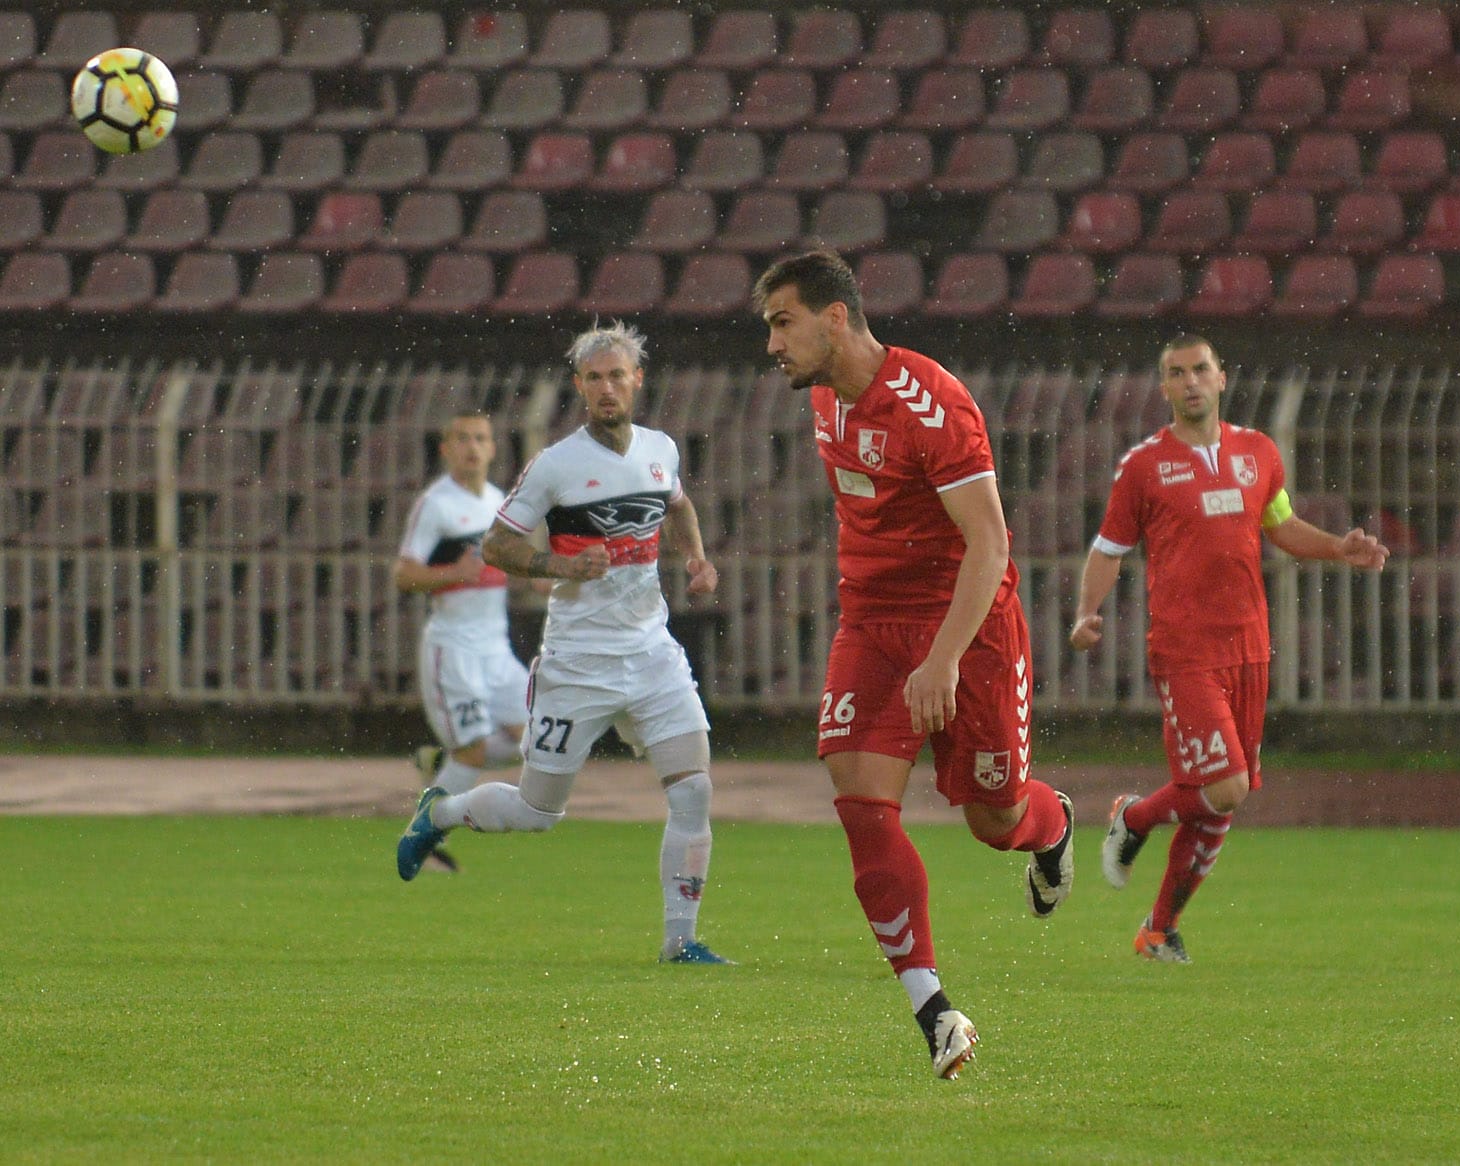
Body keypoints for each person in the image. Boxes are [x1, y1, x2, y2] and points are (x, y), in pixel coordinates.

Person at [752, 250, 1075, 1080]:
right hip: (871, 624)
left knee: (994, 820)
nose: (773, 345)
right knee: (860, 802)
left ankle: (1054, 825)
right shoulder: (824, 397)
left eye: (783, 323)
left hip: (968, 627)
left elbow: (990, 545)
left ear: (834, 318)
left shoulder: (933, 405)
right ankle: (934, 1011)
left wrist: (942, 660)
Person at [396, 321, 732, 967]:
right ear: (579, 386)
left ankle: (680, 941)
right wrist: (560, 566)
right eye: (594, 378)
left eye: (617, 376)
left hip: (653, 654)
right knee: (538, 812)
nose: (607, 388)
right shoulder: (555, 465)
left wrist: (696, 557)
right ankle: (439, 814)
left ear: (637, 380)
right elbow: (497, 545)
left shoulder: (660, 449)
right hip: (578, 663)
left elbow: (679, 505)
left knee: (693, 790)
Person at [1070, 334, 1390, 963]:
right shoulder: (1143, 466)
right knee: (1228, 786)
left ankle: (1158, 930)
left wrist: (1338, 548)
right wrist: (1086, 612)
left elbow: (1281, 524)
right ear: (1164, 387)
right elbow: (1109, 549)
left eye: (1200, 370)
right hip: (1185, 650)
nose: (1190, 381)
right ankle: (1134, 819)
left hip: (1250, 646)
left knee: (1218, 805)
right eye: (1177, 373)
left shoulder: (1258, 452)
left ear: (1222, 379)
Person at [393, 412, 530, 873]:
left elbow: (507, 566)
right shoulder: (436, 505)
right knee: (472, 752)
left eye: (480, 439)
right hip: (453, 647)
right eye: (462, 439)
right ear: (446, 449)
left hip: (496, 648)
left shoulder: (499, 502)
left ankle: (439, 766)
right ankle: (425, 840)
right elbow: (404, 574)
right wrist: (455, 572)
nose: (472, 447)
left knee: (537, 743)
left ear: (492, 448)